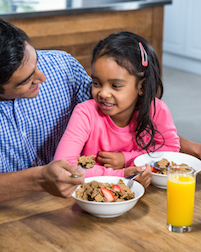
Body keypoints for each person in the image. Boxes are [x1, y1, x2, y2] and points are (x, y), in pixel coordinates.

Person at [0, 14, 201, 209]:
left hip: (77, 204)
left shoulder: (61, 66)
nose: (42, 76)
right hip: (1, 216)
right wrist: (38, 180)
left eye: (35, 60)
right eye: (27, 80)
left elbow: (119, 114)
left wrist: (192, 150)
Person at [53, 32, 180, 188]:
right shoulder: (85, 113)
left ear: (142, 86)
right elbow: (63, 166)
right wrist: (121, 174)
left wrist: (126, 159)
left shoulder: (156, 110)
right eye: (96, 83)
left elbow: (171, 150)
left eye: (116, 86)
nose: (103, 94)